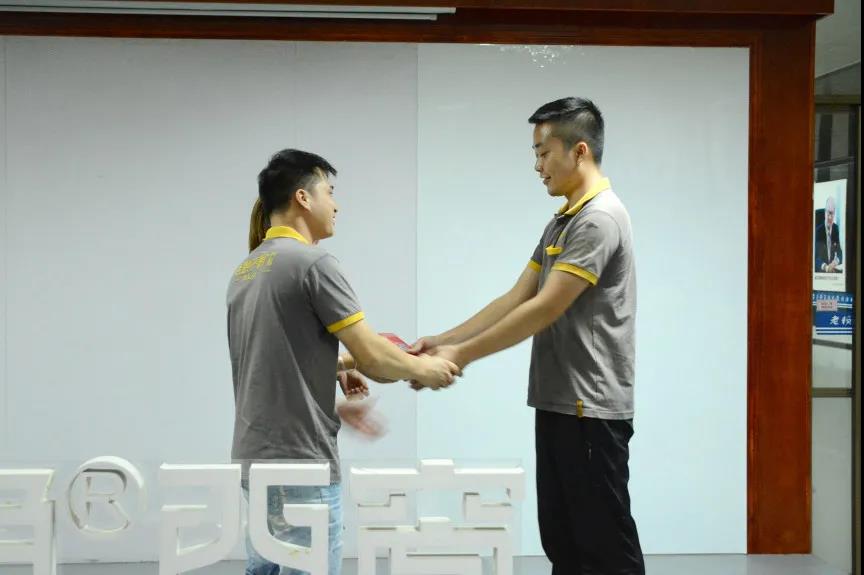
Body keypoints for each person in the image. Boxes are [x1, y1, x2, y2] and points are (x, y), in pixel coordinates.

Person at [411, 98, 645, 574]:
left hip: (589, 409)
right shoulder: (563, 220)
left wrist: (462, 355)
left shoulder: (599, 219)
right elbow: (516, 297)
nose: (537, 166)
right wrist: (441, 341)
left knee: (605, 549)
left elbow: (545, 307)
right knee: (563, 542)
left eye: (543, 153)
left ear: (579, 151)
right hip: (559, 403)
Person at [227, 149, 461, 575]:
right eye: (330, 192)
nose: (336, 205)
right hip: (301, 463)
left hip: (254, 460)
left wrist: (336, 370)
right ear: (303, 198)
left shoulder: (247, 270)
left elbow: (272, 364)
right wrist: (425, 369)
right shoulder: (313, 264)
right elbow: (374, 355)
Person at [815, 195, 843, 273]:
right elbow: (816, 257)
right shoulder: (818, 231)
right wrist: (826, 268)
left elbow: (840, 253)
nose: (830, 217)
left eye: (832, 213)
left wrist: (836, 262)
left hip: (833, 271)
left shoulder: (836, 228)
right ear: (825, 212)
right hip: (822, 272)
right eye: (828, 213)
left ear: (834, 213)